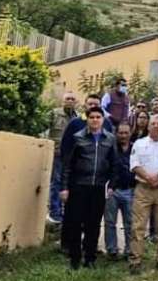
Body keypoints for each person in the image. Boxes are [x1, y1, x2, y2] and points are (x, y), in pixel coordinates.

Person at [60, 107, 119, 270]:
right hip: (79, 185)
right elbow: (67, 165)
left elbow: (114, 164)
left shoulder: (110, 139)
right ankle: (75, 258)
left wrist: (112, 185)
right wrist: (64, 188)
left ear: (102, 119)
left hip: (98, 187)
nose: (94, 120)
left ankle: (90, 258)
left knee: (93, 224)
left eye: (98, 117)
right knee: (75, 223)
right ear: (87, 119)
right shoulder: (77, 138)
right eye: (91, 117)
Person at [128, 114, 158, 274]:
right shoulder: (139, 143)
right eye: (153, 123)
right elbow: (134, 165)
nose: (156, 126)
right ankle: (135, 260)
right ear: (148, 126)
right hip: (143, 188)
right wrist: (148, 177)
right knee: (138, 226)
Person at [104, 122, 135, 261]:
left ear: (130, 133)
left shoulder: (136, 148)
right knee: (110, 222)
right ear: (116, 133)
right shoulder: (110, 148)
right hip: (112, 190)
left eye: (126, 133)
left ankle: (129, 250)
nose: (123, 135)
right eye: (120, 133)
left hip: (130, 189)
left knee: (129, 223)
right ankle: (112, 250)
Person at [45, 91, 77, 224]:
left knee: (68, 184)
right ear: (63, 101)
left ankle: (64, 212)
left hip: (72, 156)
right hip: (57, 154)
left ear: (76, 102)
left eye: (72, 99)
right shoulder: (54, 113)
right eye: (67, 99)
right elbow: (43, 127)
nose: (69, 101)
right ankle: (55, 213)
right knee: (56, 182)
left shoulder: (78, 118)